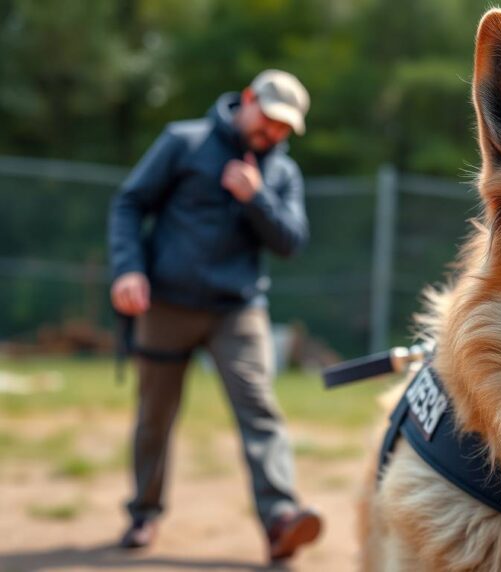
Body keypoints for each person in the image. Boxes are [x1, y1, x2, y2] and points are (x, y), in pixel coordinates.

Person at [107, 70, 322, 562]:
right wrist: (127, 270)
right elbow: (129, 203)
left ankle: (280, 519)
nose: (272, 135)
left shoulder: (283, 174)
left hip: (238, 310)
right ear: (247, 101)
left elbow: (291, 242)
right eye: (267, 122)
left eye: (283, 129)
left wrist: (255, 198)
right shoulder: (184, 142)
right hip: (166, 303)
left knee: (260, 410)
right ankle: (144, 513)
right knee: (154, 418)